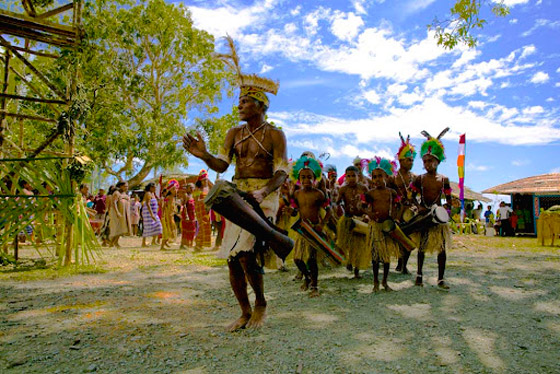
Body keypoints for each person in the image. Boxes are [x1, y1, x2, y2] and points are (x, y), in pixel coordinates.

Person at [183, 37, 288, 331]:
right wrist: (203, 155)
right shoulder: (233, 133)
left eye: (244, 101)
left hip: (264, 195)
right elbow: (223, 165)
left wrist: (266, 190)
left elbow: (282, 171)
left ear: (260, 105)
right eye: (240, 100)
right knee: (232, 259)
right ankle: (244, 311)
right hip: (237, 193)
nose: (238, 105)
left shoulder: (276, 135)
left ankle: (261, 304)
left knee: (245, 252)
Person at [411, 128, 452, 289]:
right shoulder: (419, 179)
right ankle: (419, 275)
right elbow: (411, 196)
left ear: (438, 161)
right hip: (424, 214)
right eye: (425, 161)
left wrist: (445, 211)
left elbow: (448, 199)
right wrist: (419, 206)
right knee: (421, 246)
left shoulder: (444, 180)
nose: (427, 164)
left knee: (441, 248)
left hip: (438, 217)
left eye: (430, 161)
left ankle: (441, 278)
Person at [291, 156, 330, 297]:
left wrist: (322, 224)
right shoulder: (297, 194)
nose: (306, 180)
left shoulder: (318, 194)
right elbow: (295, 210)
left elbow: (329, 210)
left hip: (314, 229)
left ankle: (314, 285)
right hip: (302, 229)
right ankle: (307, 277)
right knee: (297, 259)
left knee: (312, 259)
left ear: (315, 178)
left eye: (309, 177)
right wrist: (292, 211)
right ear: (299, 178)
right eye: (303, 177)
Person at [364, 157, 399, 292]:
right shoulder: (370, 193)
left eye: (380, 176)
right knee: (375, 257)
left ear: (386, 176)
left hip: (387, 227)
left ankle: (384, 281)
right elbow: (362, 206)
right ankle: (375, 282)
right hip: (376, 226)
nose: (377, 179)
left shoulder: (392, 192)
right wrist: (369, 214)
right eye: (374, 177)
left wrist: (395, 218)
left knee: (386, 257)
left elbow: (397, 206)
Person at [336, 165, 370, 279]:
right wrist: (338, 206)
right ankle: (349, 261)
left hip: (360, 220)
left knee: (359, 245)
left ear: (358, 176)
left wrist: (366, 215)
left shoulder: (363, 189)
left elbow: (368, 203)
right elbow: (338, 202)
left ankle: (357, 270)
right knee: (348, 244)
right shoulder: (343, 189)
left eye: (353, 176)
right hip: (347, 219)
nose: (351, 178)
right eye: (348, 176)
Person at [391, 133, 418, 275]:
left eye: (412, 160)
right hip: (396, 211)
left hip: (409, 211)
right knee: (397, 237)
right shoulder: (393, 178)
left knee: (409, 238)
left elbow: (417, 194)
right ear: (401, 161)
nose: (411, 162)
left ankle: (403, 264)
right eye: (408, 160)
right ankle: (398, 262)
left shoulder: (414, 177)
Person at [193, 170, 213, 250]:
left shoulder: (206, 189)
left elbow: (213, 187)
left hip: (206, 211)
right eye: (204, 180)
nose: (206, 182)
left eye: (206, 180)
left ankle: (200, 245)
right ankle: (198, 244)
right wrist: (205, 201)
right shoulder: (196, 190)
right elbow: (196, 201)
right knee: (202, 226)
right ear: (200, 181)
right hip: (200, 211)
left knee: (206, 226)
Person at [108, 181, 132, 247]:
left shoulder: (125, 193)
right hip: (117, 213)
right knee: (117, 228)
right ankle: (112, 243)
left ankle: (115, 242)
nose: (126, 188)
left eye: (127, 186)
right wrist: (117, 212)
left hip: (124, 213)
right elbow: (114, 203)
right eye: (125, 186)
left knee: (122, 228)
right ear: (120, 186)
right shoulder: (116, 193)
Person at [141, 182, 162, 247]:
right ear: (150, 187)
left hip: (154, 213)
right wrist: (151, 214)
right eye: (154, 187)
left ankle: (153, 241)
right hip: (148, 213)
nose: (155, 188)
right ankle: (143, 243)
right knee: (147, 227)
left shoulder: (153, 194)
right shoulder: (148, 193)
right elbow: (147, 204)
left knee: (158, 225)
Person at [161, 183, 178, 250]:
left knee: (171, 229)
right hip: (167, 216)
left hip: (171, 216)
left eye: (176, 189)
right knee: (168, 230)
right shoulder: (168, 198)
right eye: (173, 189)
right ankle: (163, 245)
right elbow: (164, 206)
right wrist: (163, 214)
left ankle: (166, 242)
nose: (175, 190)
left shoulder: (173, 198)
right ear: (170, 190)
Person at [180, 183, 197, 249]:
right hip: (187, 215)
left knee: (192, 229)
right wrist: (186, 215)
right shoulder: (186, 195)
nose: (192, 189)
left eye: (192, 187)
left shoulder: (193, 196)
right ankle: (184, 244)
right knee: (186, 229)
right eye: (190, 187)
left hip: (192, 215)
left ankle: (190, 243)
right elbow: (183, 205)